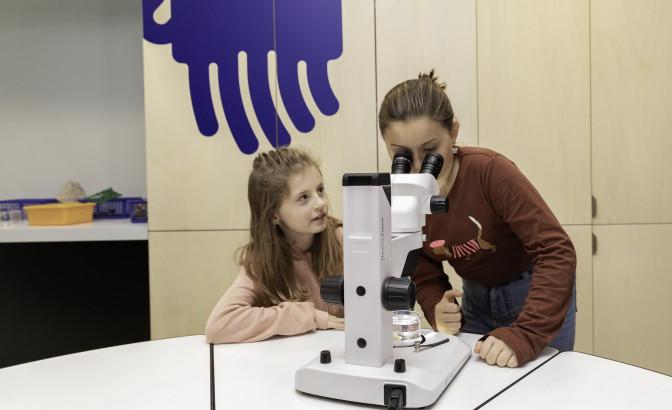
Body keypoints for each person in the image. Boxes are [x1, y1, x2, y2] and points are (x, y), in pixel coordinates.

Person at [378, 70, 577, 368]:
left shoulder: (490, 173)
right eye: (403, 156)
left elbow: (557, 251)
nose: (418, 167)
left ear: (454, 132)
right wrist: (435, 307)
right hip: (475, 299)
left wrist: (526, 333)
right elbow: (422, 264)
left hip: (533, 294)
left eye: (430, 151)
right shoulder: (400, 191)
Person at [205, 147, 345, 343]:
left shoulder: (343, 240)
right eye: (303, 197)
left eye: (320, 190)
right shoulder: (264, 259)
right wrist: (309, 317)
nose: (320, 203)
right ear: (274, 214)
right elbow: (219, 325)